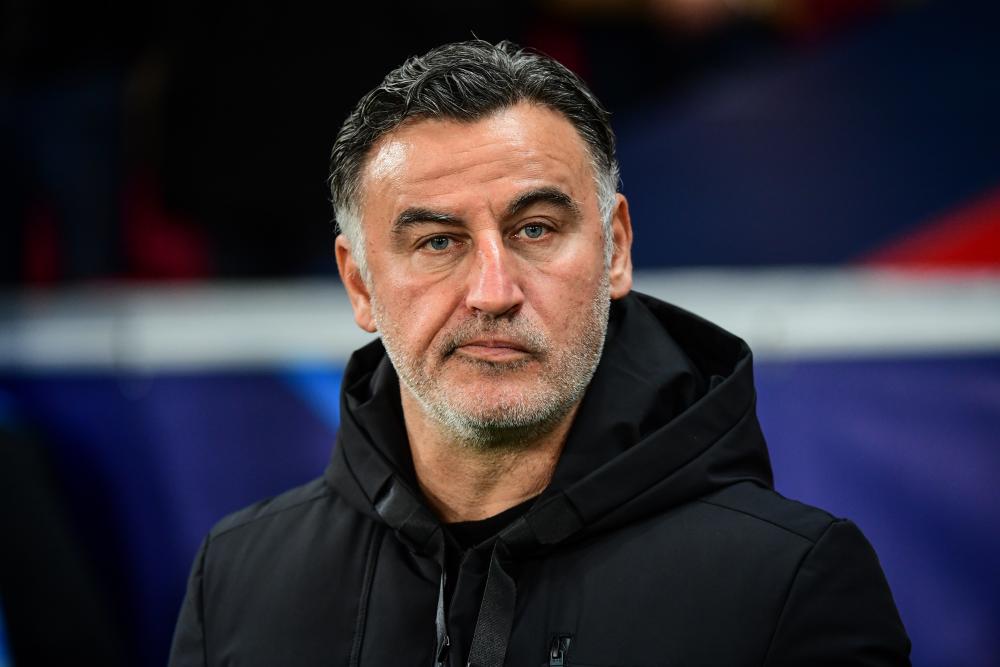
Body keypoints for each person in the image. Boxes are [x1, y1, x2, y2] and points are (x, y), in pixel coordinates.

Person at [169, 40, 910, 666]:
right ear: (360, 283)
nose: (493, 292)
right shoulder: (236, 580)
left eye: (535, 230)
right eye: (438, 242)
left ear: (616, 248)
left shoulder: (790, 580)